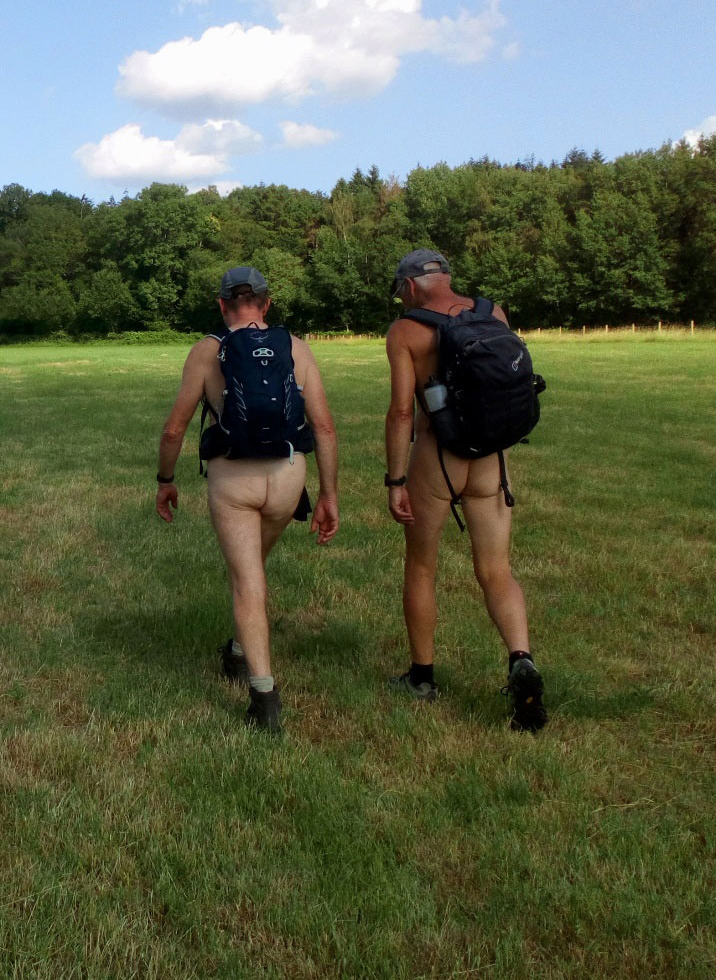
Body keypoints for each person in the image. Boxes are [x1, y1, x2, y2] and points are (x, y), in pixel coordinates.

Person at [155, 267, 339, 733]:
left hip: (234, 481)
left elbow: (175, 429)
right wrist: (329, 494)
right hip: (287, 478)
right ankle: (238, 649)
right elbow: (324, 428)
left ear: (222, 305)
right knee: (253, 568)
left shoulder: (207, 351)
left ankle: (263, 694)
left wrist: (166, 479)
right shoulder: (295, 347)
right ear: (266, 302)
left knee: (247, 580)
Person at [383, 249, 547, 732]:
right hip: (491, 457)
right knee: (497, 570)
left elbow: (402, 412)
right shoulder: (494, 313)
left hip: (440, 456)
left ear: (411, 286)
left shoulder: (406, 331)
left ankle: (422, 678)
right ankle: (521, 659)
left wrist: (395, 480)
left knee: (422, 566)